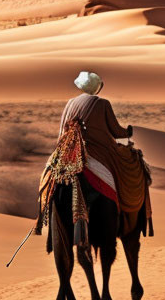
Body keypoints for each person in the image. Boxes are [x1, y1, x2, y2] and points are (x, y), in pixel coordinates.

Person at [57, 71, 134, 207]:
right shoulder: (102, 103)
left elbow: (63, 128)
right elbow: (115, 131)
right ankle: (124, 207)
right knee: (124, 170)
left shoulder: (70, 103)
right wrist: (128, 131)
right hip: (95, 151)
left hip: (68, 152)